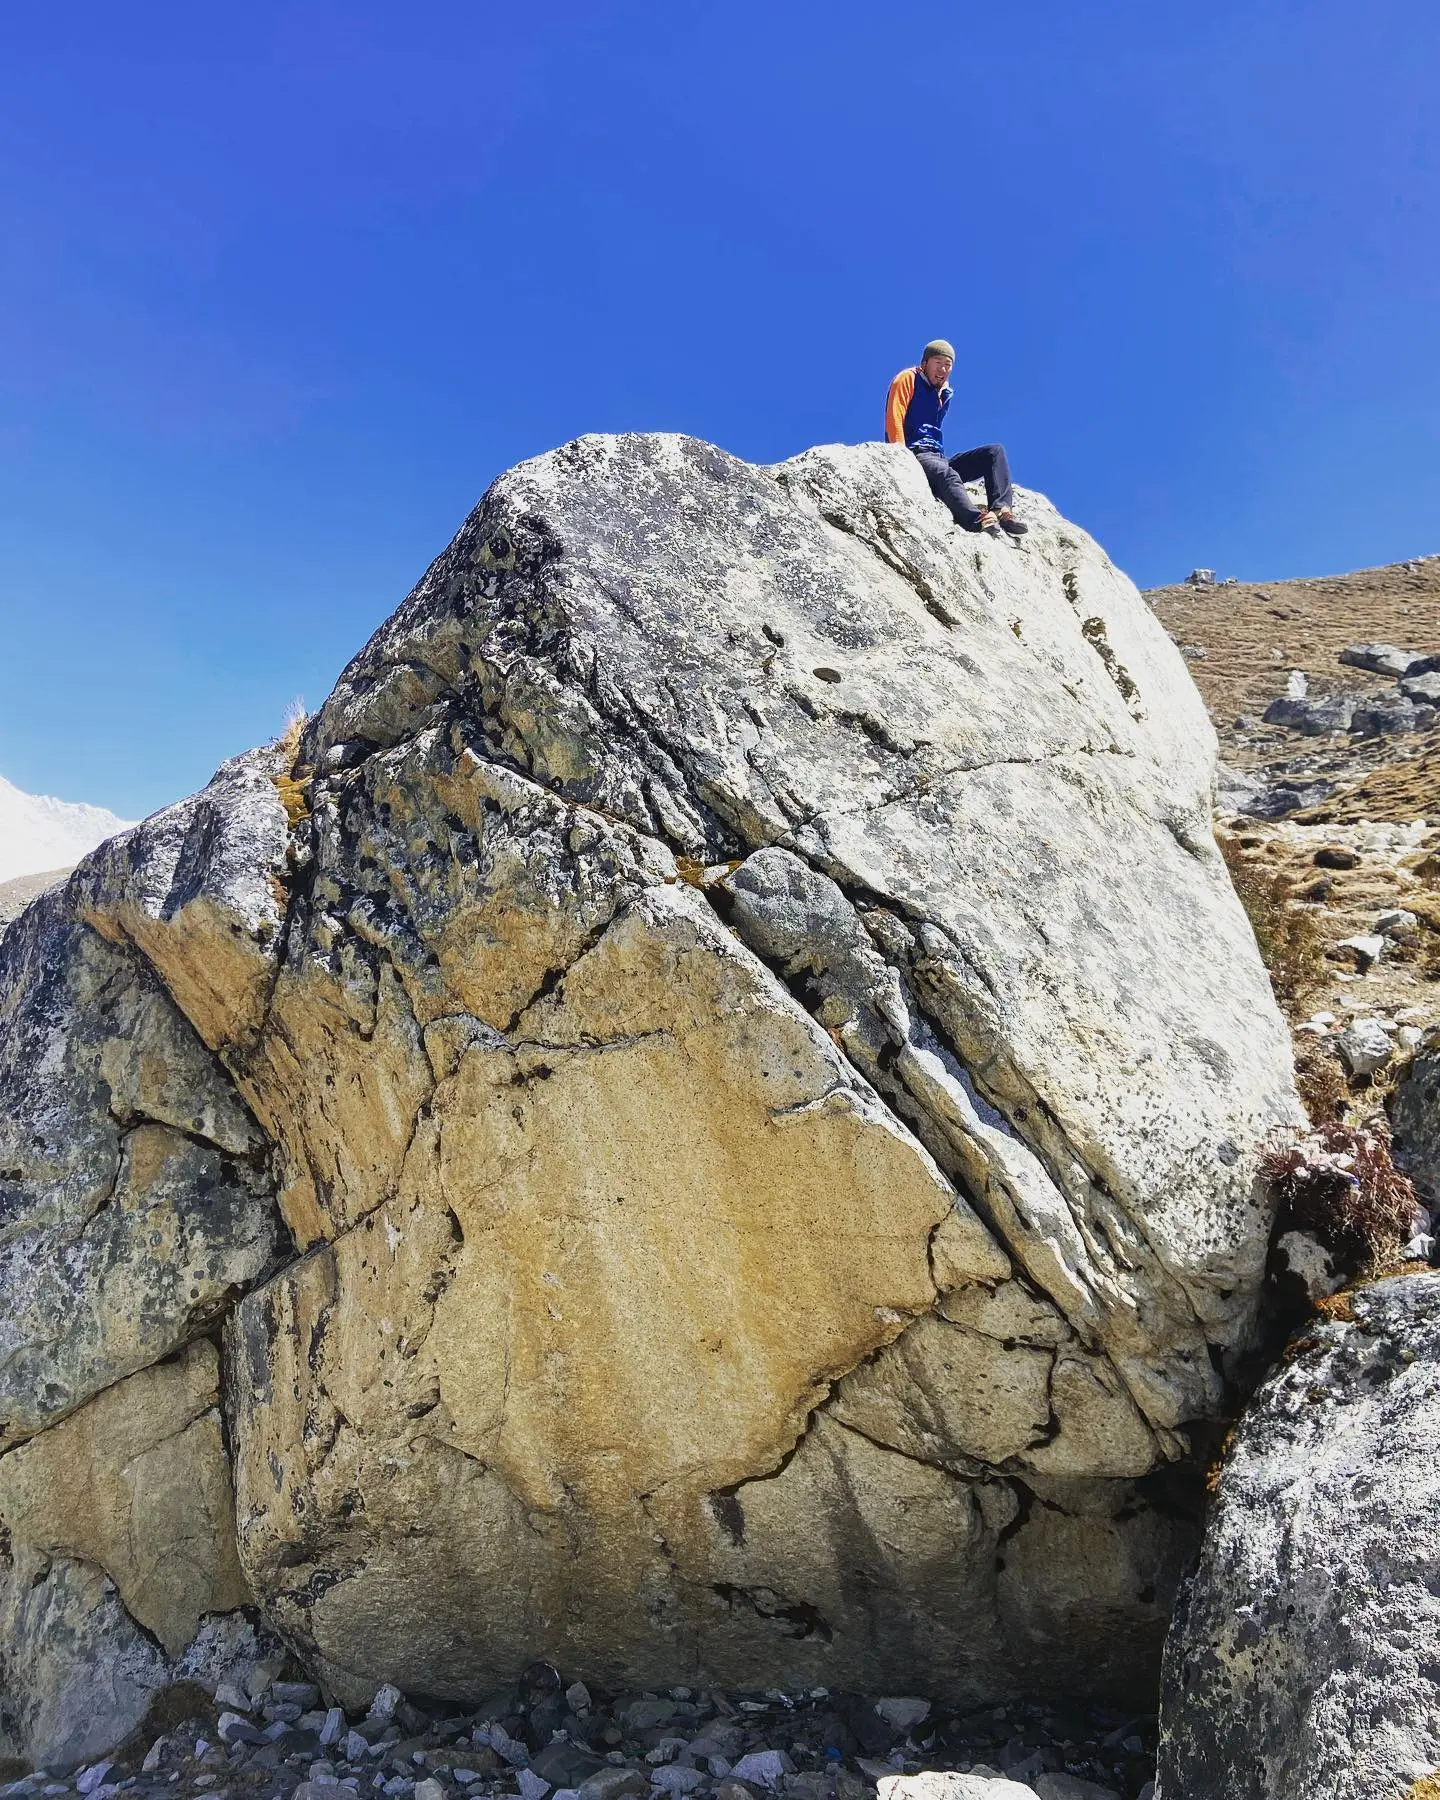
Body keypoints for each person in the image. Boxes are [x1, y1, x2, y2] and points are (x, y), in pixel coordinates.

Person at [884, 340, 1028, 535]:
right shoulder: (908, 378)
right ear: (925, 363)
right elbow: (895, 415)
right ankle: (976, 520)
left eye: (948, 365)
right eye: (938, 362)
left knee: (994, 452)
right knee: (948, 474)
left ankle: (1002, 510)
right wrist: (899, 455)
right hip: (915, 454)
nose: (943, 369)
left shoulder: (943, 393)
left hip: (938, 457)